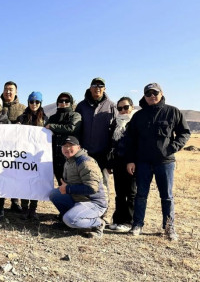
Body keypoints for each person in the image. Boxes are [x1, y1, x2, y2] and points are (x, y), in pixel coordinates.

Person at [126, 83, 190, 240]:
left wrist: (171, 148)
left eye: (155, 92)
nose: (152, 96)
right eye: (148, 94)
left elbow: (184, 133)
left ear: (161, 93)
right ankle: (137, 225)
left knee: (167, 196)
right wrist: (130, 160)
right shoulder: (138, 116)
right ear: (144, 97)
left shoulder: (172, 112)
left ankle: (169, 227)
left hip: (165, 162)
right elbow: (130, 140)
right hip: (142, 162)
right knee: (141, 194)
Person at [49, 136, 107, 238]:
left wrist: (68, 189)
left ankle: (98, 223)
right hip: (78, 199)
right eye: (65, 146)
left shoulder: (85, 162)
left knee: (70, 219)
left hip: (93, 203)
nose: (67, 148)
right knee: (54, 194)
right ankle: (71, 223)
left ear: (78, 147)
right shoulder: (69, 161)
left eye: (71, 146)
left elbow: (92, 188)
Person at [75, 77, 117, 200]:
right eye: (95, 85)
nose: (97, 88)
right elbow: (77, 129)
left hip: (103, 153)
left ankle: (102, 213)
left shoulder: (111, 106)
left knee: (102, 184)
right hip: (84, 152)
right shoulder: (81, 106)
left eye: (100, 86)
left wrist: (111, 155)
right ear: (90, 87)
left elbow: (115, 131)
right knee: (84, 182)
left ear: (104, 88)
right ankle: (84, 210)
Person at [16, 92, 47, 220]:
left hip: (38, 156)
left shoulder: (45, 119)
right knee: (25, 182)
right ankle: (24, 208)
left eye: (37, 102)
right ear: (28, 102)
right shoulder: (22, 118)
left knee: (35, 182)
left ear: (40, 103)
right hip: (23, 156)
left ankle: (33, 209)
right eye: (32, 102)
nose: (34, 104)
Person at [106, 97, 136, 232]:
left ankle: (129, 222)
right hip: (118, 162)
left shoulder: (136, 122)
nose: (123, 110)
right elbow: (112, 144)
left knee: (131, 193)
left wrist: (133, 160)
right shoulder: (115, 124)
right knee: (119, 193)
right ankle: (118, 220)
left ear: (132, 107)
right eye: (120, 108)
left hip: (132, 162)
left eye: (126, 107)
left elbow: (138, 144)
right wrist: (110, 163)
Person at [45, 92, 82, 186]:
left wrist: (53, 127)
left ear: (71, 102)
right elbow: (46, 129)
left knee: (71, 184)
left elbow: (71, 128)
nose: (64, 103)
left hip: (70, 157)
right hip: (55, 156)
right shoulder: (52, 117)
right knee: (60, 184)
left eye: (67, 101)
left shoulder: (75, 115)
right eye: (61, 101)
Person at [0, 81, 26, 212]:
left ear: (16, 92)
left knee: (15, 174)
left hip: (16, 147)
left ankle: (15, 201)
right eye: (6, 89)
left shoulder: (22, 108)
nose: (8, 92)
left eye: (11, 89)